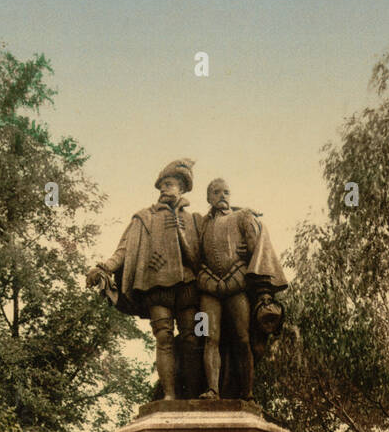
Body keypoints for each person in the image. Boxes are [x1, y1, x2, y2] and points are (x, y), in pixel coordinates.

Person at [86, 159, 203, 400]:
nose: (163, 189)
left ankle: (193, 396)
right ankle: (169, 396)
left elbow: (200, 257)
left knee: (192, 338)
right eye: (161, 185)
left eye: (169, 184)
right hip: (156, 286)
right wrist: (104, 268)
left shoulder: (193, 220)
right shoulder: (143, 218)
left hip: (188, 287)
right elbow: (124, 250)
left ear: (181, 188)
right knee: (164, 337)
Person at [196, 177, 287, 400]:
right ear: (209, 197)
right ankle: (212, 389)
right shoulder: (201, 224)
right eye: (216, 192)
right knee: (209, 337)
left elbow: (257, 252)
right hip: (208, 288)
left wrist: (264, 291)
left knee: (243, 338)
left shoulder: (242, 217)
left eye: (226, 192)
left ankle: (247, 393)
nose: (222, 196)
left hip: (237, 286)